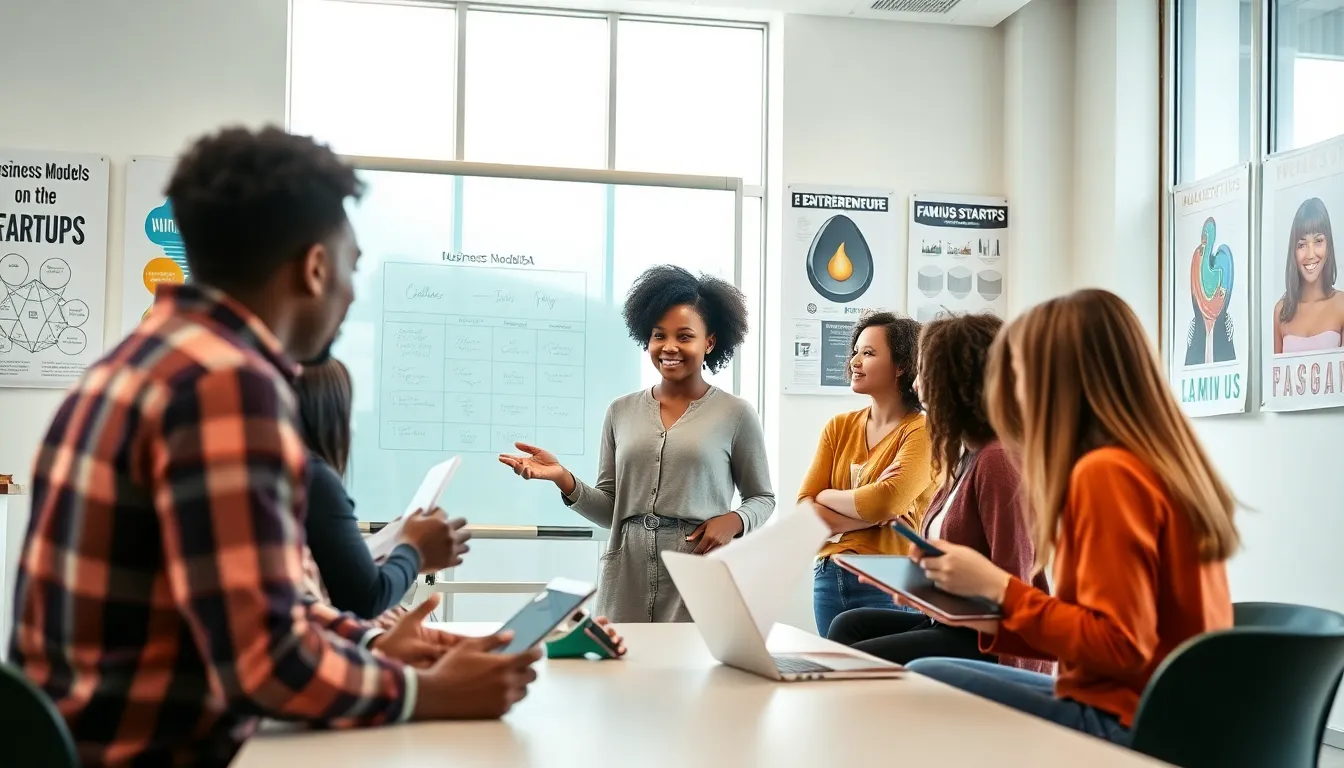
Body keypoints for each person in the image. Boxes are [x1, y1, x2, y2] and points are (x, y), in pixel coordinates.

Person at [10, 127, 542, 768]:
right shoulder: (226, 385)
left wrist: (372, 650)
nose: (353, 293)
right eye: (354, 266)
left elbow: (257, 608)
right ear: (315, 268)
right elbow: (264, 662)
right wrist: (422, 692)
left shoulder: (135, 365)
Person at [904, 289, 1239, 747]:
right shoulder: (1158, 464)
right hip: (1174, 708)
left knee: (922, 678)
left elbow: (1118, 645)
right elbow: (1101, 631)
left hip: (1129, 718)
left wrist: (997, 588)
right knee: (928, 670)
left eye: (1016, 375)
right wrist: (987, 613)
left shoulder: (1107, 475)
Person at [499, 265, 774, 623]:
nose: (669, 347)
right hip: (625, 570)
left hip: (696, 565)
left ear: (710, 342)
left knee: (689, 672)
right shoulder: (620, 411)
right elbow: (610, 510)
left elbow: (763, 499)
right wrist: (563, 478)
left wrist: (735, 520)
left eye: (685, 336)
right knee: (619, 671)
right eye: (659, 335)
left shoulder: (735, 414)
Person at [826, 313, 1049, 672]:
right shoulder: (967, 456)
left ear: (954, 381)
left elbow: (1013, 582)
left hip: (985, 640)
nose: (915, 384)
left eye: (924, 372)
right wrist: (915, 578)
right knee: (847, 625)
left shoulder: (997, 461)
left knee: (859, 658)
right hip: (947, 621)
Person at [798, 311, 938, 636]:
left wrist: (828, 497)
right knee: (834, 682)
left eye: (869, 353)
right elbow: (805, 510)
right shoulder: (839, 427)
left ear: (902, 365)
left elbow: (885, 501)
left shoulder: (923, 431)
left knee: (881, 685)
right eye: (856, 351)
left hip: (890, 578)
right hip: (830, 574)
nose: (855, 361)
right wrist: (873, 513)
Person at [296, 358, 469, 618]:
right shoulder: (315, 481)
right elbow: (365, 597)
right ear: (329, 417)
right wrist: (413, 551)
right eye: (348, 413)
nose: (353, 429)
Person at [1273, 196, 1344, 353]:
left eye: (1318, 241)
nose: (1310, 254)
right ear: (1294, 250)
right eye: (1302, 245)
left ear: (1329, 245)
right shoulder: (1281, 311)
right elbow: (1274, 376)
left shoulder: (1341, 305)